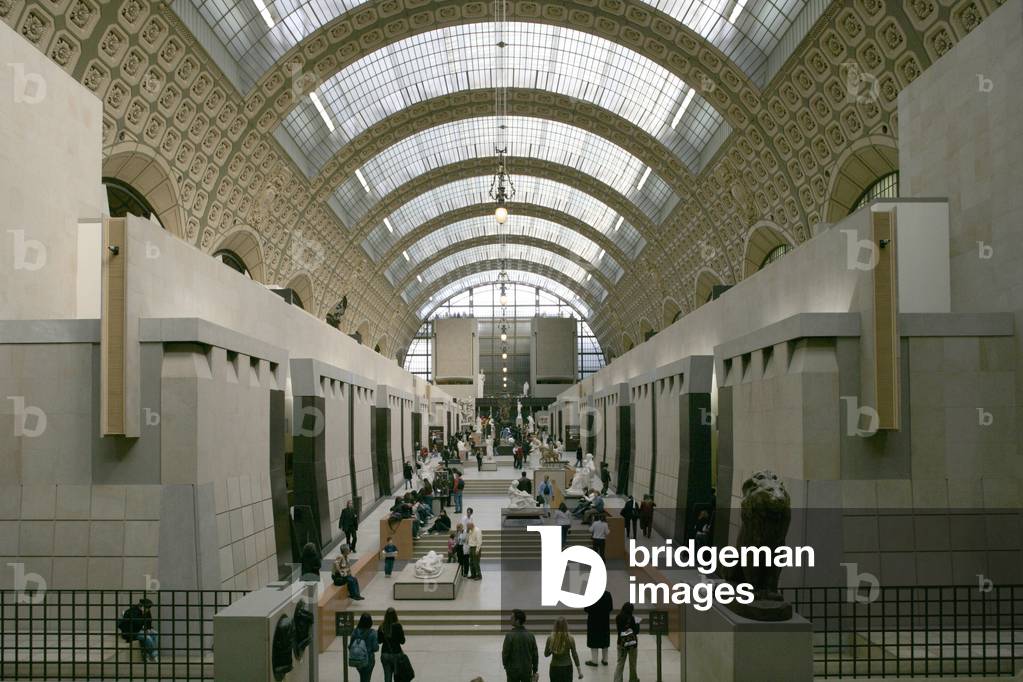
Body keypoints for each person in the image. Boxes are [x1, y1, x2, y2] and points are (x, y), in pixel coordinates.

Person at [502, 609, 538, 682]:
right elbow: (535, 654)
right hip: (527, 670)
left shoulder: (509, 635)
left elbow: (505, 654)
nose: (510, 619)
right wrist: (535, 670)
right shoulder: (531, 635)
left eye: (512, 617)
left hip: (512, 671)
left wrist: (506, 666)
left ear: (517, 621)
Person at [117, 597, 158, 662]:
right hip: (131, 632)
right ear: (141, 606)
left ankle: (148, 654)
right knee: (147, 638)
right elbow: (137, 623)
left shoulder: (146, 611)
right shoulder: (132, 611)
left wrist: (148, 628)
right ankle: (153, 655)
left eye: (148, 608)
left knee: (155, 634)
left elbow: (149, 621)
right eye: (147, 608)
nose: (148, 610)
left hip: (140, 630)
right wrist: (143, 615)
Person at [544, 616, 583, 682]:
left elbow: (546, 654)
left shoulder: (550, 638)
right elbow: (575, 655)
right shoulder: (570, 639)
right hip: (567, 667)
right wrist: (579, 671)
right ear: (566, 626)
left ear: (555, 626)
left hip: (555, 667)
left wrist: (552, 648)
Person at [583, 590, 613, 667]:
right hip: (604, 621)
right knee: (604, 640)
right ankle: (605, 660)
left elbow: (586, 609)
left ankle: (594, 661)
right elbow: (610, 608)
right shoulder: (607, 594)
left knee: (594, 641)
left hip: (593, 621)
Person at [613, 603, 640, 682]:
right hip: (632, 644)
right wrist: (637, 623)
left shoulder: (618, 617)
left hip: (621, 642)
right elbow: (636, 631)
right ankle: (633, 679)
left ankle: (617, 680)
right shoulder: (632, 618)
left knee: (620, 663)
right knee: (632, 663)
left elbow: (619, 630)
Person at [378, 607, 406, 682]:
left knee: (387, 677)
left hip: (385, 653)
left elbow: (379, 641)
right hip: (396, 653)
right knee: (397, 677)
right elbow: (402, 641)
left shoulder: (382, 627)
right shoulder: (398, 626)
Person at [350, 612, 379, 682]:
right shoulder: (373, 633)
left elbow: (350, 646)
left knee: (362, 676)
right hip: (369, 659)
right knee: (367, 678)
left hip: (357, 658)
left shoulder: (355, 631)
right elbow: (375, 648)